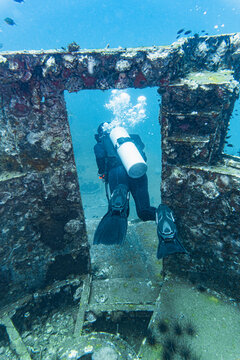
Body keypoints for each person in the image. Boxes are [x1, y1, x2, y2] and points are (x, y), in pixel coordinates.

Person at [93, 122, 187, 259]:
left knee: (120, 210)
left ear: (101, 133)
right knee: (144, 211)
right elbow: (143, 157)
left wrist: (103, 174)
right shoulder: (132, 139)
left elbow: (101, 160)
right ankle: (162, 214)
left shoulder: (102, 142)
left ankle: (120, 194)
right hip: (138, 172)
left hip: (117, 173)